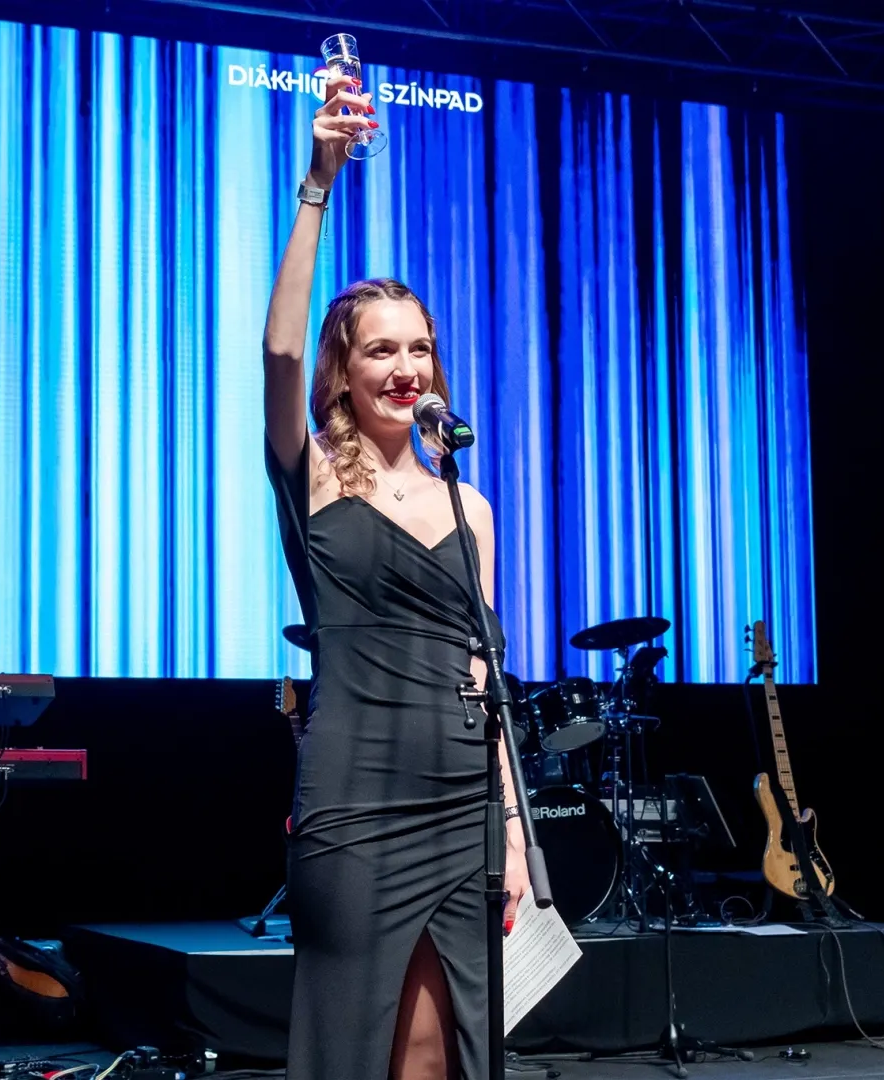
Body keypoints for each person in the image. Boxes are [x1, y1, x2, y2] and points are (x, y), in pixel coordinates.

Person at [262, 70, 531, 1080]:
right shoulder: (316, 477)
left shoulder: (472, 504)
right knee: (354, 1042)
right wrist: (317, 185)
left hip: (461, 795)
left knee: (436, 1047)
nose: (405, 366)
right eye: (381, 349)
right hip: (354, 794)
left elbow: (483, 677)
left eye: (419, 347)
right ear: (348, 368)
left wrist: (509, 821)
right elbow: (279, 350)